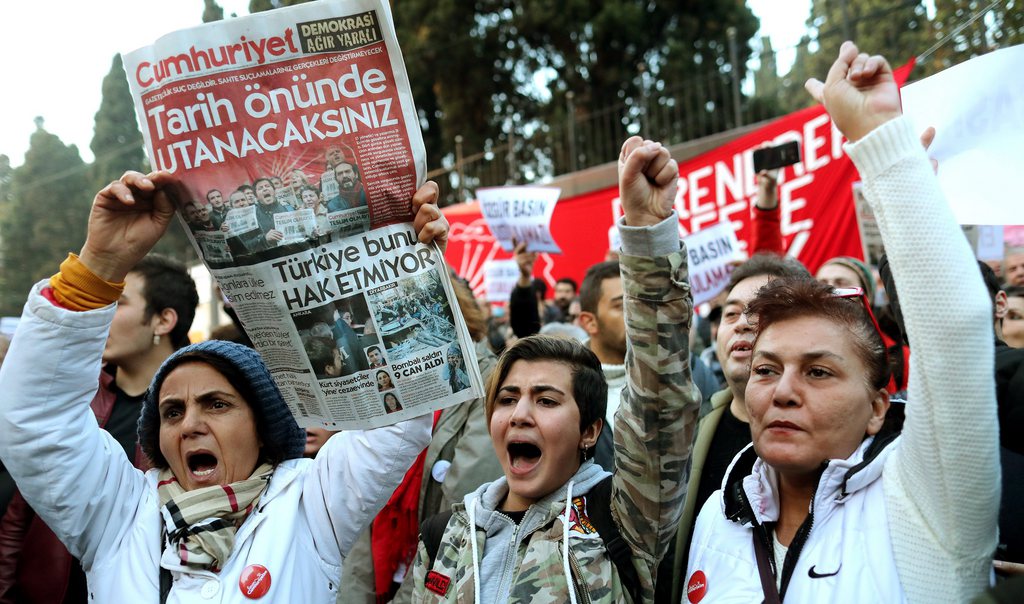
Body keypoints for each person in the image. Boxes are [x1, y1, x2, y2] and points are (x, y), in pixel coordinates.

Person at [0, 169, 449, 602]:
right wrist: (98, 264)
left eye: (216, 404)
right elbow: (37, 424)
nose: (190, 424)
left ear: (262, 425)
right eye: (173, 411)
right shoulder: (117, 514)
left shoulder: (311, 503)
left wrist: (397, 263)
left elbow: (397, 422)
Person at [685, 41, 999, 602]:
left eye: (820, 372)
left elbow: (953, 331)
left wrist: (883, 144)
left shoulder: (923, 507)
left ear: (879, 406)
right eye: (765, 369)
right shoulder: (715, 515)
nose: (782, 391)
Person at [407, 136, 701, 603]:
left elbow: (660, 408)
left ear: (589, 431)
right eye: (507, 398)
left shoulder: (621, 520)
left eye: (546, 400)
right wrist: (413, 261)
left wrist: (648, 233)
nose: (520, 413)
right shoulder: (444, 536)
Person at [0, 255, 199, 604]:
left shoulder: (200, 414)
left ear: (163, 320)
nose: (103, 314)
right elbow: (22, 508)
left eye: (118, 303)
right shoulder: (72, 400)